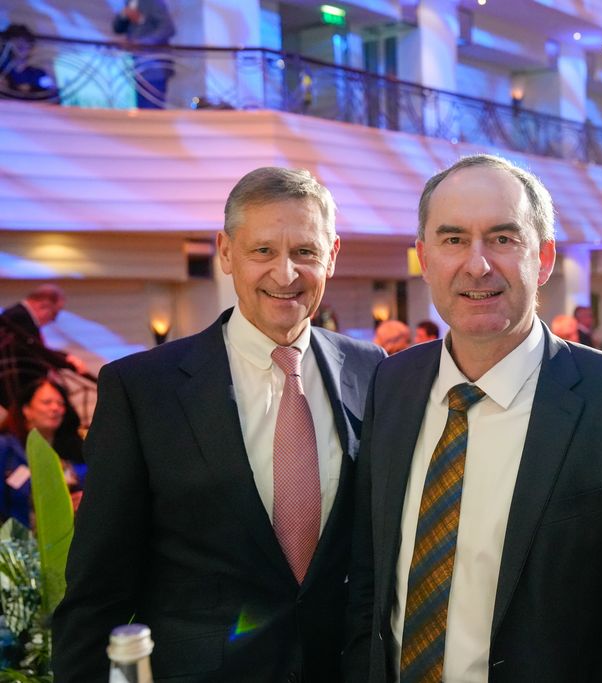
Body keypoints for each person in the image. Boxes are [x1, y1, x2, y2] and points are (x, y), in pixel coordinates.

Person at [343, 154, 602, 682]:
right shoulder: (391, 384)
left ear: (543, 258)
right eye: (453, 240)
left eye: (502, 239)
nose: (477, 265)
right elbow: (370, 576)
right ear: (424, 258)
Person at [52, 167, 386, 681]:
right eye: (263, 252)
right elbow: (98, 590)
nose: (286, 273)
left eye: (305, 252)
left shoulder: (373, 369)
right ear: (226, 252)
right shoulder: (143, 389)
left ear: (333, 255)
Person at [0, 378, 86, 526]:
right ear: (26, 410)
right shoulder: (6, 448)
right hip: (16, 542)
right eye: (47, 402)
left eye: (61, 404)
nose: (55, 408)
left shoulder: (76, 450)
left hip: (69, 539)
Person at [0, 284, 90, 411]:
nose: (53, 320)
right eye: (55, 314)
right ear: (43, 305)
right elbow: (37, 351)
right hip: (16, 391)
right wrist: (67, 360)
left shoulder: (18, 316)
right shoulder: (18, 317)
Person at [112, 0, 176, 109]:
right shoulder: (129, 2)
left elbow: (168, 28)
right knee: (141, 110)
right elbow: (117, 28)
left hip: (155, 66)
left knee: (152, 110)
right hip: (137, 65)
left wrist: (142, 43)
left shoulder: (155, 2)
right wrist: (124, 15)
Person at [0, 24, 59, 101]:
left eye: (26, 41)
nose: (21, 44)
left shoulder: (38, 74)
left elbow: (52, 96)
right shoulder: (2, 72)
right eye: (15, 40)